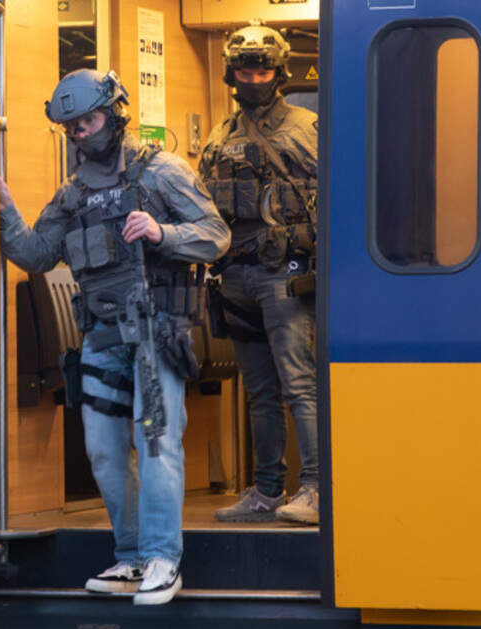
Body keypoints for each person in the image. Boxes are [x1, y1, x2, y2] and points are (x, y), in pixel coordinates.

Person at [0, 69, 229, 606]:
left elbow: (216, 234)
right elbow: (34, 255)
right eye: (70, 127)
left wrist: (164, 233)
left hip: (156, 332)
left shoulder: (161, 171)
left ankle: (164, 559)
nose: (81, 133)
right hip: (99, 337)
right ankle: (133, 556)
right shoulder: (70, 194)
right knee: (103, 452)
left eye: (88, 121)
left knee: (156, 442)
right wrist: (5, 210)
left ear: (114, 114)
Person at [202, 22, 322, 525]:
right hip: (235, 276)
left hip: (284, 272)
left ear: (280, 70)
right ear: (231, 73)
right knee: (259, 392)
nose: (254, 77)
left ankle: (316, 488)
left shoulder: (305, 126)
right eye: (245, 68)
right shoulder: (218, 134)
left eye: (263, 67)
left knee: (299, 384)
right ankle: (268, 490)